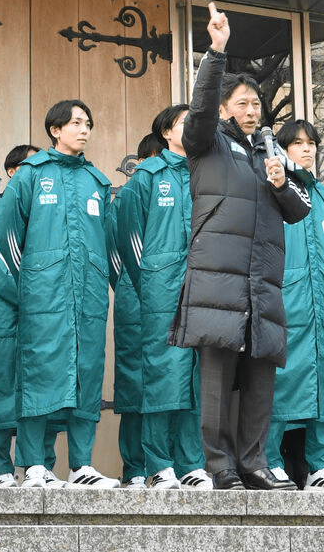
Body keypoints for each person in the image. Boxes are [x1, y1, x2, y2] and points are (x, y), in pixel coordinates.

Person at [167, 4, 310, 491]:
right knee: (215, 379)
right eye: (243, 104)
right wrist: (216, 51)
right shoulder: (207, 143)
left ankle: (253, 462)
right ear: (227, 108)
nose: (252, 111)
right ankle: (219, 467)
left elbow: (300, 210)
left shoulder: (270, 153)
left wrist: (280, 183)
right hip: (218, 281)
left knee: (260, 379)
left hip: (261, 283)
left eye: (257, 104)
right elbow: (201, 109)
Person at [0, 99, 119, 489]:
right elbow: (6, 236)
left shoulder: (97, 181)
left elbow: (108, 243)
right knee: (38, 375)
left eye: (88, 123)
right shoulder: (31, 175)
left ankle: (81, 465)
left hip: (89, 299)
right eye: (76, 123)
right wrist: (27, 285)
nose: (84, 129)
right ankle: (33, 465)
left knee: (86, 374)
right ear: (55, 130)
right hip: (42, 298)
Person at [115, 106, 212, 491]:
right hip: (161, 291)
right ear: (167, 133)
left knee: (195, 378)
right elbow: (129, 237)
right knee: (162, 375)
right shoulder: (148, 176)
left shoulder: (208, 174)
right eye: (185, 124)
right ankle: (158, 464)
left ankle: (191, 462)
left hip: (203, 290)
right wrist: (150, 284)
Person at [268, 119, 324, 493]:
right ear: (282, 148)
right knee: (279, 383)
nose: (307, 149)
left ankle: (320, 466)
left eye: (312, 143)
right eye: (297, 143)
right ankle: (270, 461)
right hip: (287, 299)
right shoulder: (271, 188)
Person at [0, 144, 55, 488]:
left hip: (42, 311)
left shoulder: (49, 210)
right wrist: (26, 297)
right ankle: (0, 468)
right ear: (14, 172)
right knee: (2, 388)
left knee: (43, 384)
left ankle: (40, 465)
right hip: (6, 309)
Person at [112, 131, 165, 489]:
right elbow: (115, 253)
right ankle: (134, 467)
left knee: (168, 381)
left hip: (170, 300)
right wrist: (131, 285)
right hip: (135, 296)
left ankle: (166, 464)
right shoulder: (127, 195)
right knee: (134, 385)